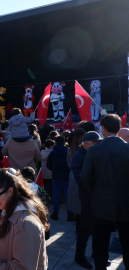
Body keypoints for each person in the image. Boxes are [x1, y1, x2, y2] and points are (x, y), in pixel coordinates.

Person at [81, 114, 129, 270]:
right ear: (119, 128)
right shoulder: (127, 148)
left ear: (103, 129)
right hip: (125, 203)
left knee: (100, 245)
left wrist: (96, 193)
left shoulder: (94, 150)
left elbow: (85, 178)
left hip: (101, 204)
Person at [71, 131, 103, 269]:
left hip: (97, 197)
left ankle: (97, 255)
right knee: (85, 229)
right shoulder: (79, 157)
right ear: (87, 143)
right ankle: (80, 256)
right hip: (88, 199)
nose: (98, 144)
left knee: (98, 229)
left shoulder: (92, 153)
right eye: (96, 142)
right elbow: (82, 180)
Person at [46, 136, 73, 221]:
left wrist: (54, 170)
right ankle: (70, 215)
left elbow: (48, 165)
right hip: (66, 176)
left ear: (55, 143)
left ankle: (55, 213)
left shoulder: (52, 153)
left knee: (56, 195)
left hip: (56, 176)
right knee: (68, 196)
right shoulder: (68, 152)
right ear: (64, 142)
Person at [67, 129, 86, 230]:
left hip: (73, 176)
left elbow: (68, 164)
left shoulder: (70, 149)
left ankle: (78, 228)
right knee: (84, 203)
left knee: (76, 205)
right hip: (84, 176)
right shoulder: (86, 149)